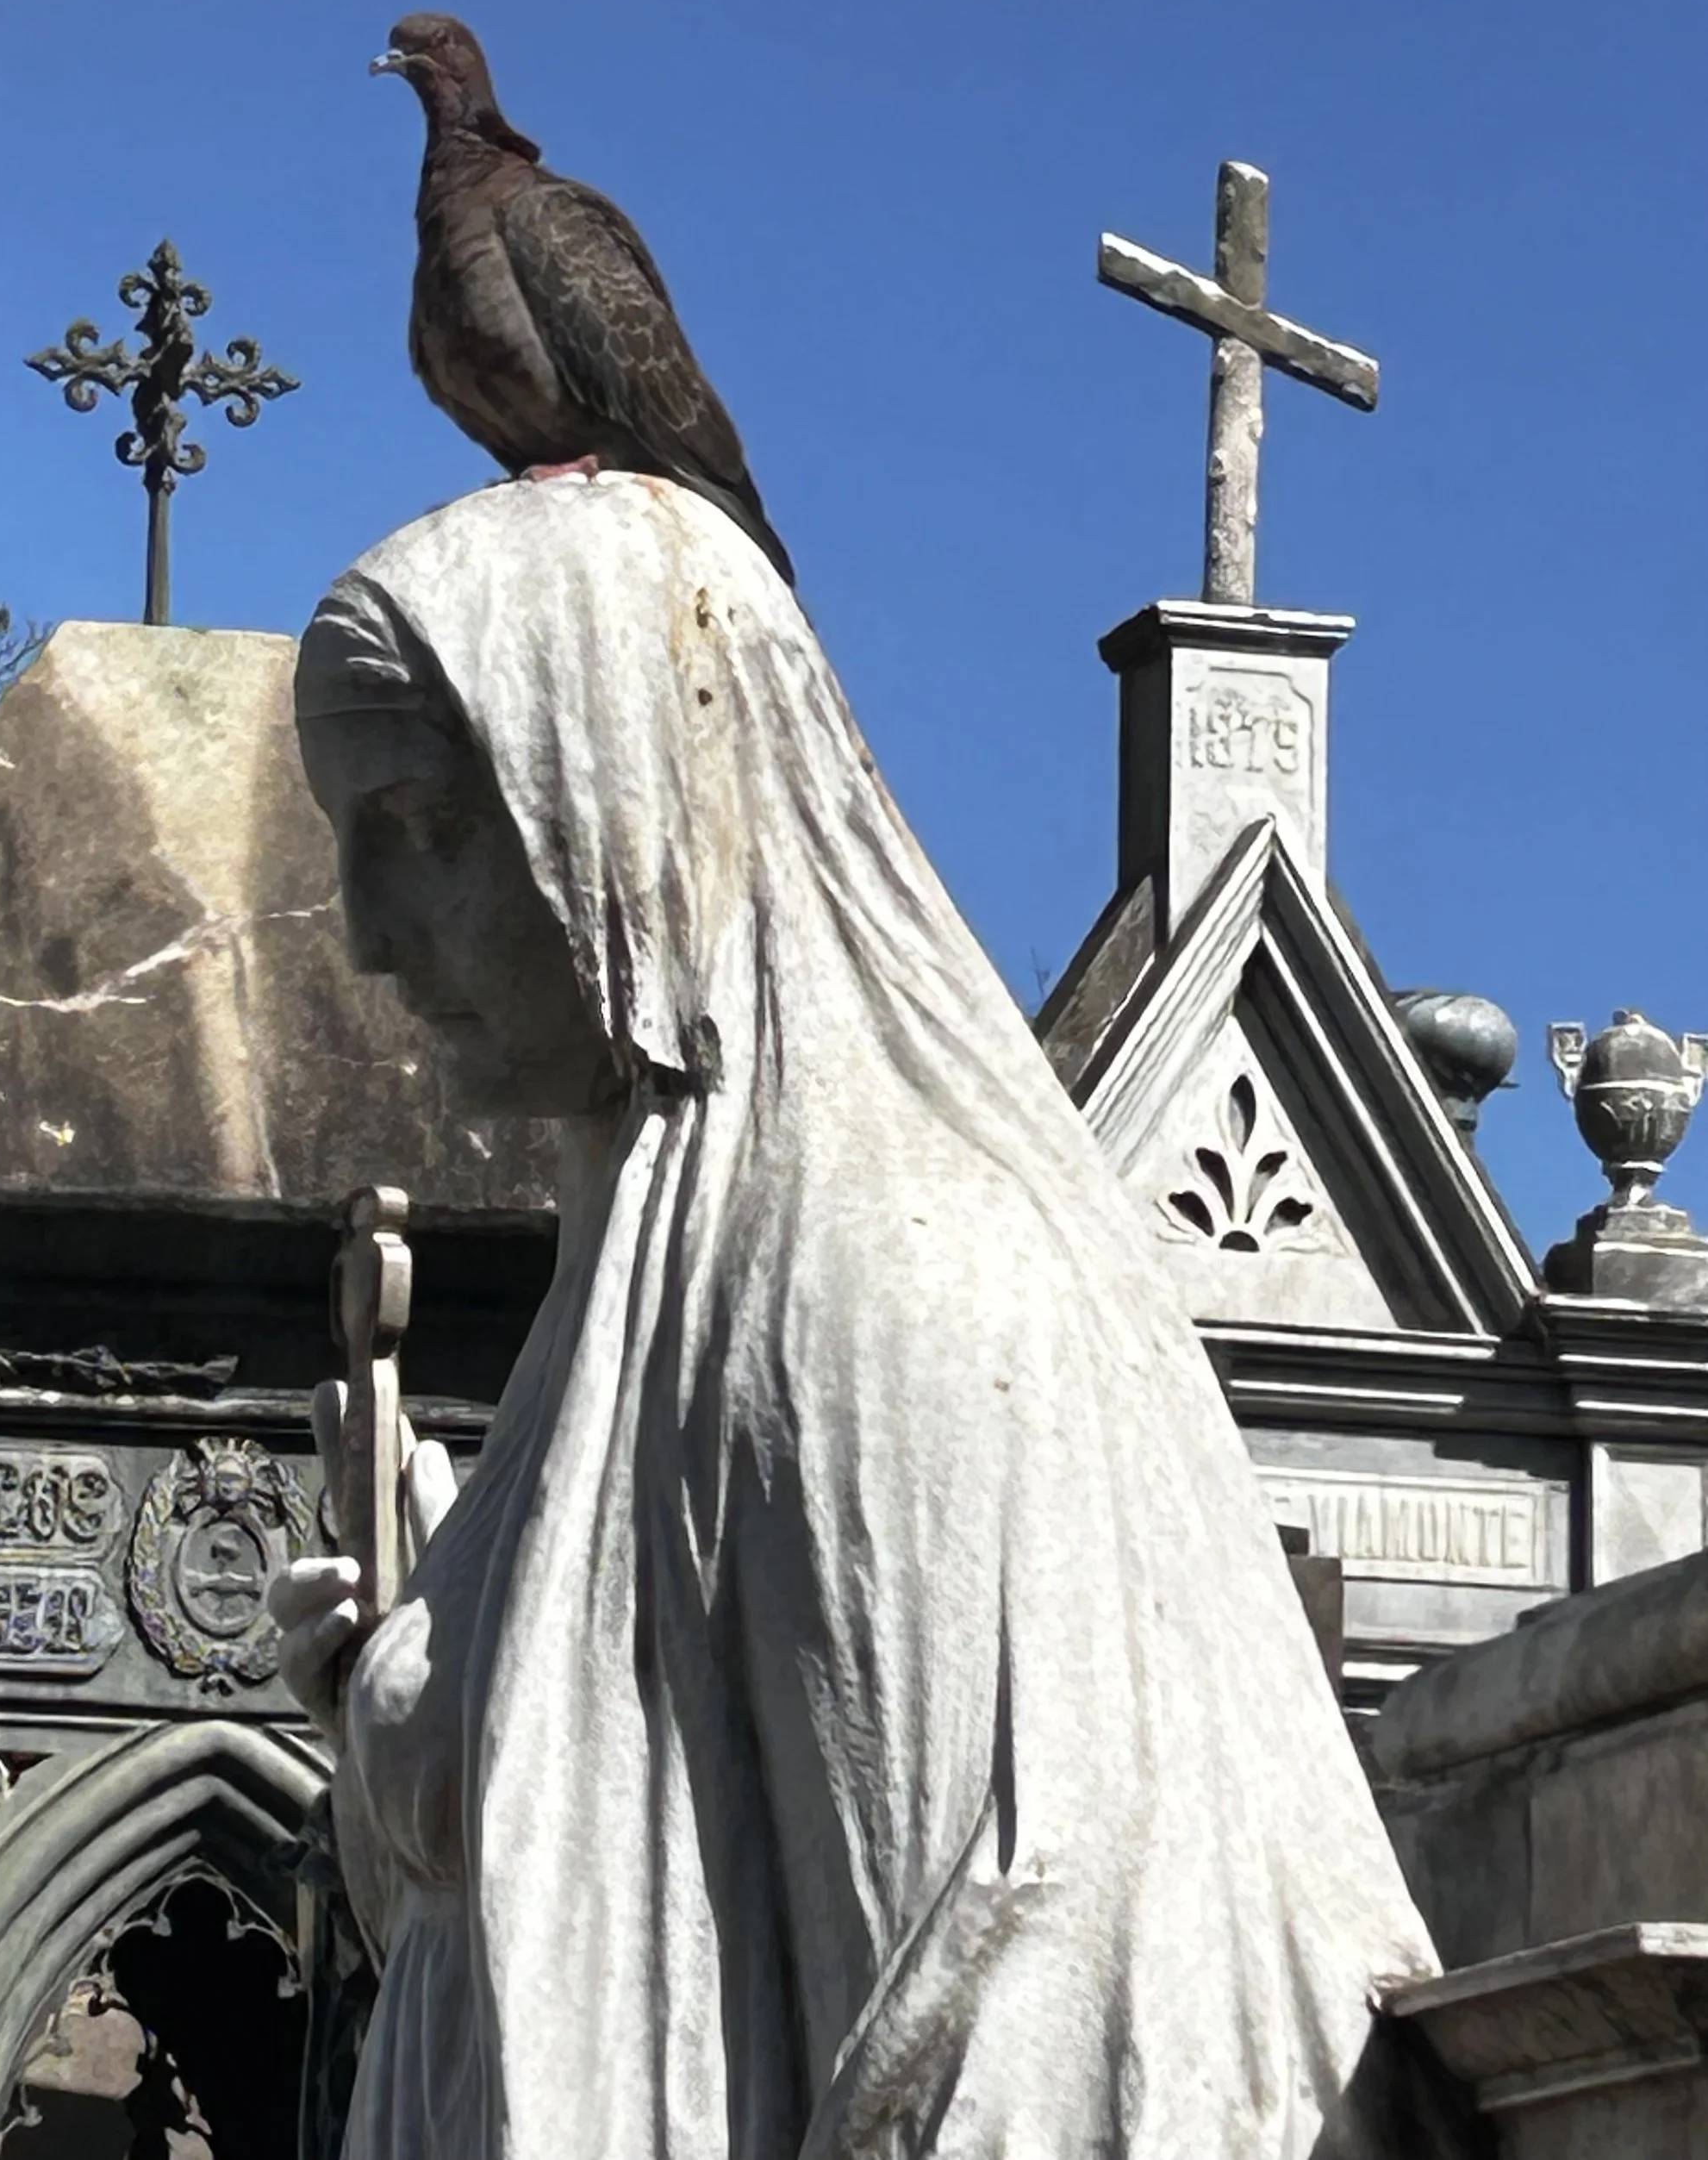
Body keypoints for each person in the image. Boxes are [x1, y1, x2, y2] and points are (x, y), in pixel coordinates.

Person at [274, 472, 1462, 2160]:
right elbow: (602, 1974)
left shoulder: (878, 1275)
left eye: (417, 824)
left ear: (624, 793)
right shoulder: (634, 1296)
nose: (367, 935)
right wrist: (404, 1722)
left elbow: (1026, 2014)